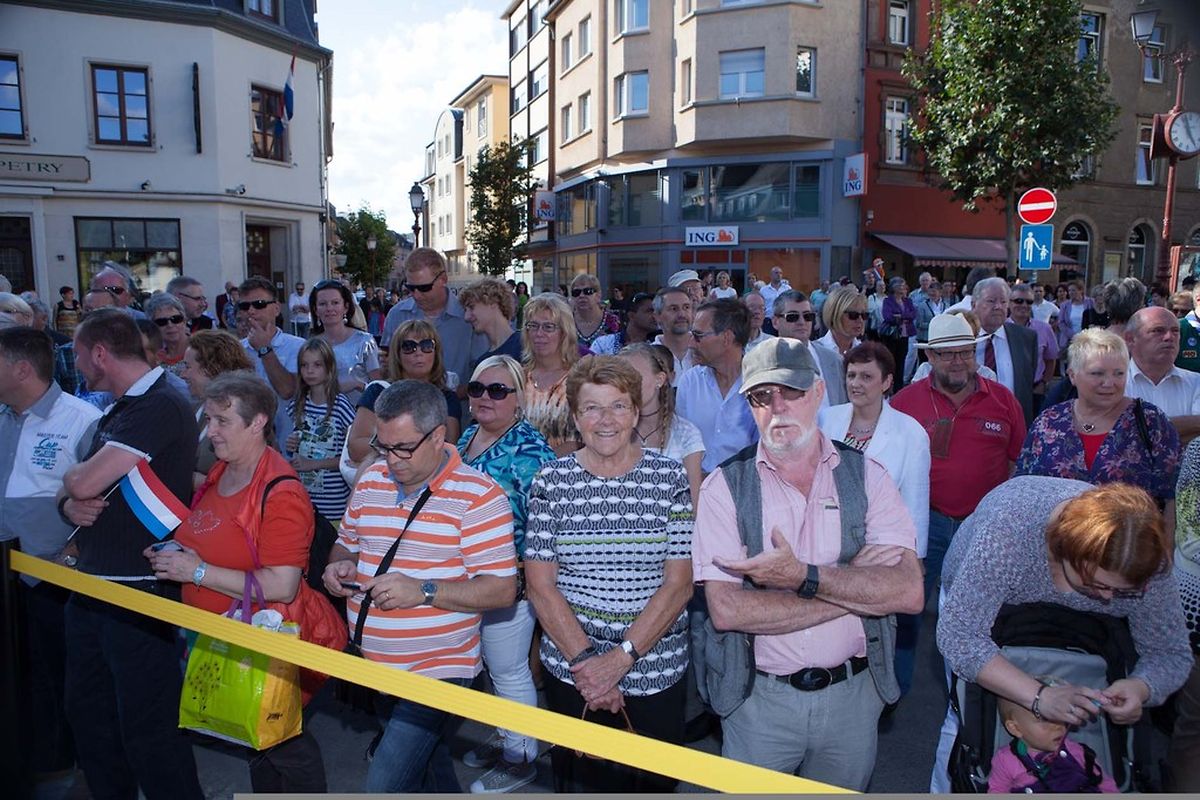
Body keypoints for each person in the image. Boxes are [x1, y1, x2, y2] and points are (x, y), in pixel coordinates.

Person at [693, 337, 923, 789]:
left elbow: (909, 592)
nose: (777, 407)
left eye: (791, 391)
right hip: (758, 702)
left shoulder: (867, 476)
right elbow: (729, 610)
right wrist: (856, 587)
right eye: (762, 396)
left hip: (853, 702)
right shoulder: (723, 488)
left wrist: (800, 577)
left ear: (819, 393)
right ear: (748, 405)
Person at [934, 477, 1191, 792]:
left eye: (1121, 590)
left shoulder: (1145, 559)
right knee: (965, 715)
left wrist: (1141, 687)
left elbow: (1170, 653)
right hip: (979, 599)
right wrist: (1040, 697)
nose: (1109, 599)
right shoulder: (1010, 530)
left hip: (1084, 632)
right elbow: (960, 635)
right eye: (1098, 585)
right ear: (1064, 547)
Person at [322, 380, 518, 793]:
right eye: (383, 445)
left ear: (438, 436)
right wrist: (338, 566)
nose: (391, 460)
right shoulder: (371, 478)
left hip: (438, 670)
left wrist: (425, 590)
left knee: (384, 784)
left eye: (404, 448)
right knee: (430, 771)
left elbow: (502, 590)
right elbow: (348, 543)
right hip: (372, 663)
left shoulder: (480, 498)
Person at [146, 371, 335, 793]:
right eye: (208, 419)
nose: (209, 431)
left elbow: (283, 584)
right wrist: (174, 552)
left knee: (284, 743)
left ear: (258, 422)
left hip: (262, 641)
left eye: (222, 421)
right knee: (257, 738)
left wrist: (194, 572)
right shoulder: (221, 470)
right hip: (221, 638)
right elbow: (210, 535)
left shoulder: (280, 491)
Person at [525, 356, 694, 793]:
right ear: (576, 418)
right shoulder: (550, 482)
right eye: (592, 408)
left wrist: (620, 661)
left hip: (655, 668)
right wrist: (588, 667)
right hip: (573, 671)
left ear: (636, 413)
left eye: (618, 406)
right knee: (584, 783)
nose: (606, 420)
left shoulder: (669, 476)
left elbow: (679, 584)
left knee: (653, 785)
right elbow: (540, 586)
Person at [58, 308, 202, 799]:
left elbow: (85, 479)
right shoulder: (125, 403)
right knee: (90, 714)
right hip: (95, 583)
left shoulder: (158, 403)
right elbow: (79, 492)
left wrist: (72, 488)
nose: (75, 365)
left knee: (149, 730)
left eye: (78, 354)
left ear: (100, 353)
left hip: (140, 591)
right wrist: (68, 501)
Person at [0, 328, 101, 788]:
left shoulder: (81, 419)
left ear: (21, 369)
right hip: (6, 579)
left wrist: (71, 555)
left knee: (56, 678)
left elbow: (105, 500)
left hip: (49, 581)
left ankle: (61, 766)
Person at [455, 355, 557, 793]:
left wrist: (527, 579)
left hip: (509, 578)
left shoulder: (531, 451)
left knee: (509, 668)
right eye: (477, 389)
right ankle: (510, 735)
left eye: (497, 390)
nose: (484, 398)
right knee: (492, 669)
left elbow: (548, 525)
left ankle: (520, 760)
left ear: (518, 399)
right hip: (466, 577)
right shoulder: (467, 436)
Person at [819, 341, 930, 695]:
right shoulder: (826, 418)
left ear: (887, 382)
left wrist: (915, 558)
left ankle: (886, 692)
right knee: (836, 622)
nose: (856, 383)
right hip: (829, 543)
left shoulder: (910, 432)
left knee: (883, 629)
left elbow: (916, 498)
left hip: (883, 548)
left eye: (867, 376)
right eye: (851, 375)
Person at [891, 313, 1026, 601]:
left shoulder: (1003, 400)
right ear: (930, 355)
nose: (959, 361)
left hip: (984, 523)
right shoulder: (903, 403)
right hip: (923, 523)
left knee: (976, 608)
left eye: (966, 352)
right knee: (910, 604)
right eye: (948, 354)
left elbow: (1017, 464)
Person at [1016, 328, 1181, 510]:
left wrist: (1164, 538)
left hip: (1131, 537)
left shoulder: (1151, 421)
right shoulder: (1049, 422)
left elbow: (1173, 496)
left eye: (1119, 373)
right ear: (1072, 375)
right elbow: (1023, 487)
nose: (1109, 383)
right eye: (1097, 373)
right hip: (1055, 536)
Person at [988, 682, 1120, 793]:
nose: (1058, 726)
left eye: (1061, 718)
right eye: (1045, 720)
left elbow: (1105, 785)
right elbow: (997, 791)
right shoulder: (1005, 760)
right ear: (1015, 728)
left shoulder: (1078, 751)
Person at [382, 248, 488, 385]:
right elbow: (389, 369)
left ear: (443, 279)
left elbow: (483, 371)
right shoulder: (396, 315)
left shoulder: (470, 317)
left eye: (424, 288)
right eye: (410, 288)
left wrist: (451, 395)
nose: (416, 295)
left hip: (456, 404)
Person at [676, 297, 759, 473]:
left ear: (727, 338)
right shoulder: (690, 382)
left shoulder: (760, 384)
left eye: (698, 336)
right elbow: (680, 445)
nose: (691, 343)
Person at [619, 342, 705, 506]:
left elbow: (694, 503)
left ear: (659, 379)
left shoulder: (686, 434)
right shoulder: (609, 431)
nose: (625, 384)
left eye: (633, 376)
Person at [284, 338, 356, 521]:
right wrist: (291, 444)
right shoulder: (298, 404)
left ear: (329, 368)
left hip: (334, 504)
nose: (310, 371)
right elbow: (296, 446)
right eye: (304, 365)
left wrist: (314, 464)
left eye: (317, 365)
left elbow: (352, 456)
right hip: (304, 500)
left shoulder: (340, 406)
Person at [180, 329, 254, 485]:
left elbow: (245, 482)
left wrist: (189, 479)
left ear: (210, 369)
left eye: (187, 367)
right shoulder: (195, 409)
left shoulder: (245, 417)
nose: (182, 375)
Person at [238, 276, 305, 447]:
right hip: (247, 447)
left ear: (276, 309)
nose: (251, 311)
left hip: (289, 447)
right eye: (245, 306)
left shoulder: (299, 347)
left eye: (259, 304)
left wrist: (264, 349)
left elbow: (287, 390)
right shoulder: (235, 350)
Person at [1125, 306, 1200, 443]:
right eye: (1158, 331)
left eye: (1175, 331)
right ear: (1130, 339)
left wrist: (1140, 429)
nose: (1169, 337)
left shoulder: (1196, 382)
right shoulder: (1112, 384)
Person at [971, 277, 1040, 425]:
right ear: (974, 304)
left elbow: (1027, 384)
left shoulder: (1026, 338)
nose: (998, 307)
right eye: (991, 301)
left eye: (1003, 302)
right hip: (971, 424)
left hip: (1012, 423)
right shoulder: (963, 337)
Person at [522, 292, 583, 456]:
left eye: (548, 327)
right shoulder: (517, 377)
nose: (539, 333)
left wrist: (538, 467)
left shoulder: (580, 379)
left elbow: (578, 441)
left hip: (564, 472)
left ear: (564, 333)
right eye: (533, 326)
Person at [311, 279, 382, 405]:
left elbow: (378, 386)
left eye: (335, 303)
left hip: (360, 415)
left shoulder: (365, 342)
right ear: (316, 310)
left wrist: (358, 384)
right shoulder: (310, 346)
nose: (329, 308)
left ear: (346, 307)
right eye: (323, 304)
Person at [771, 289, 846, 406]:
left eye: (808, 316)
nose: (801, 322)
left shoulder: (835, 360)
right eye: (792, 317)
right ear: (775, 322)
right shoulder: (762, 362)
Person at [1008, 282, 1059, 412]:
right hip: (1006, 389)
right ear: (1009, 303)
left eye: (1029, 302)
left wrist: (1043, 383)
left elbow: (1050, 359)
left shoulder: (1044, 329)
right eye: (1019, 301)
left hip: (1034, 391)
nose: (1024, 305)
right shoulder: (1000, 328)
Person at [461, 277, 522, 364]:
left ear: (492, 302)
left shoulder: (529, 347)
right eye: (465, 310)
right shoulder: (483, 362)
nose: (466, 317)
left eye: (471, 307)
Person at [652, 286, 697, 385]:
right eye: (673, 309)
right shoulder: (648, 357)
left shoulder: (707, 352)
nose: (682, 314)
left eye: (686, 307)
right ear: (657, 316)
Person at [879, 276, 916, 390]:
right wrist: (904, 317)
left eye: (904, 286)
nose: (903, 288)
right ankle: (888, 387)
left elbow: (913, 314)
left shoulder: (907, 301)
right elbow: (888, 316)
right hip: (892, 336)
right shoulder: (888, 301)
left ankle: (899, 389)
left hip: (904, 335)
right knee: (891, 361)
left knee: (901, 362)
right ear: (894, 287)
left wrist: (900, 316)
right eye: (900, 286)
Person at [592, 291, 657, 354]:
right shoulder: (603, 344)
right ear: (631, 315)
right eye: (649, 311)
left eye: (656, 311)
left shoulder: (658, 345)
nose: (655, 315)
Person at [569, 273, 620, 349]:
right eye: (576, 292)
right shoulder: (566, 321)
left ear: (598, 295)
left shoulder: (614, 321)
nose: (581, 295)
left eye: (588, 291)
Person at [816, 285, 868, 360]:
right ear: (835, 314)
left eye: (864, 315)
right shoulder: (815, 351)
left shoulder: (866, 352)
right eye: (853, 315)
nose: (860, 320)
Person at [145, 292, 189, 378]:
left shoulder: (201, 349)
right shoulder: (152, 358)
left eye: (175, 319)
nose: (170, 325)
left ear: (184, 320)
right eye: (162, 322)